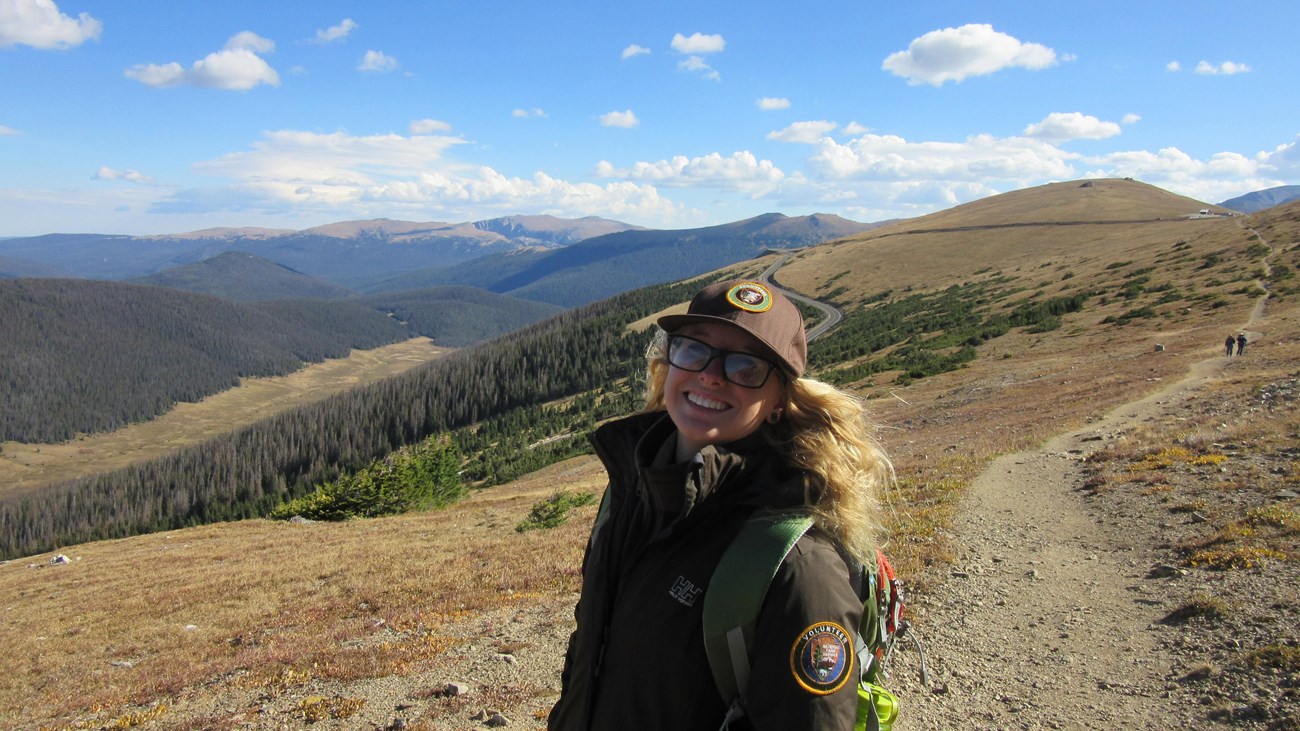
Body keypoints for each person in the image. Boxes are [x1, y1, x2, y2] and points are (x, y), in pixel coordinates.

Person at [549, 279, 893, 730]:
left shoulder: (796, 566)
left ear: (778, 401)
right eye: (695, 349)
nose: (711, 374)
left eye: (747, 366)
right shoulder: (630, 489)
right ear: (669, 362)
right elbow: (591, 644)